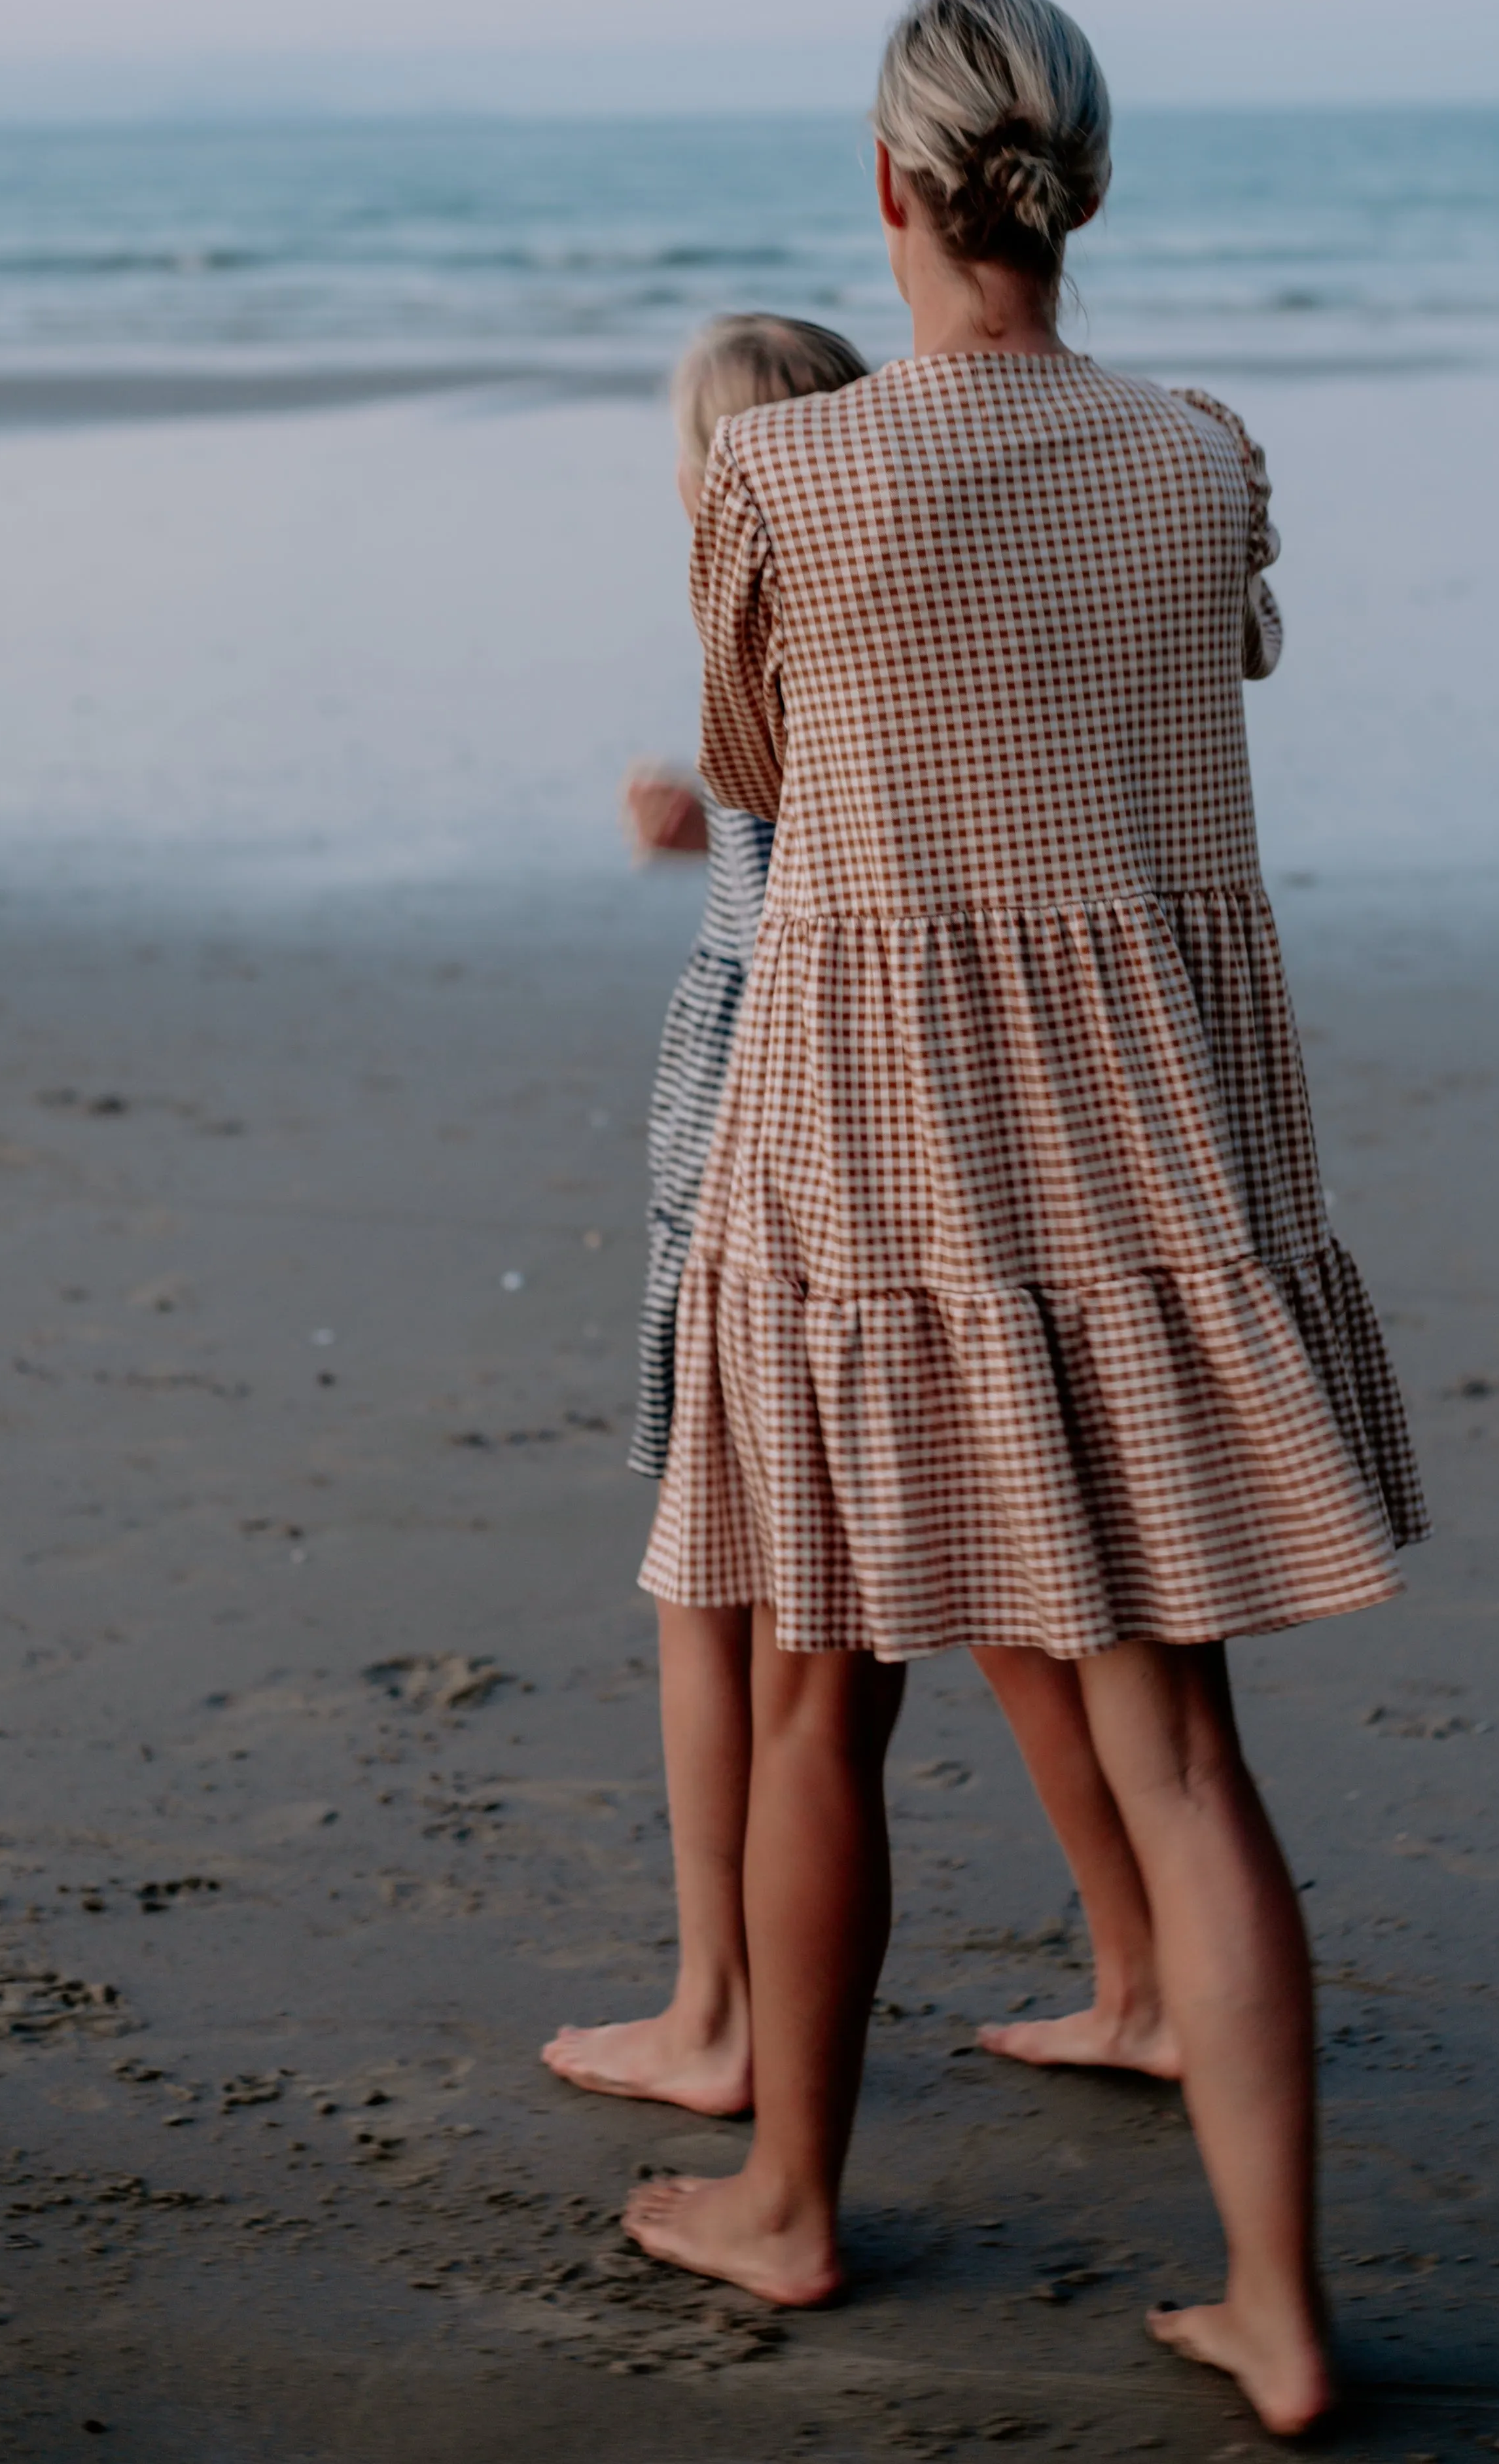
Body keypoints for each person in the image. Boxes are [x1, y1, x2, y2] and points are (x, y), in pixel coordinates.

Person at [625, 0, 1427, 2438]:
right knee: (1179, 1752)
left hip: (867, 1146)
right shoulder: (1198, 462)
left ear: (888, 192)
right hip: (1145, 1142)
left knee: (813, 1700)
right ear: (1083, 184)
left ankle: (788, 2207)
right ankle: (1279, 2314)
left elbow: (765, 782)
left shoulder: (795, 484)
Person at [542, 312, 1186, 2123]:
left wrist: (715, 827)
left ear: (722, 479)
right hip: (949, 1114)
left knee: (713, 1578)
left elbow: (800, 865)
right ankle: (1145, 1972)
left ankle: (720, 2010)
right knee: (1006, 1579)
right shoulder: (933, 633)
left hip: (773, 1120)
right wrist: (710, 833)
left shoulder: (760, 615)